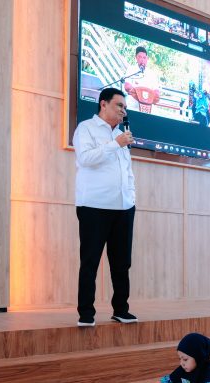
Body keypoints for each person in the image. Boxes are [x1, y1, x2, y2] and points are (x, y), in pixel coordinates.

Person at [73, 87, 137, 327]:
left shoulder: (121, 134)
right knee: (90, 261)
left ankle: (121, 309)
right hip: (94, 206)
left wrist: (131, 197)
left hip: (124, 207)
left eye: (124, 107)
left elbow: (126, 172)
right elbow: (85, 159)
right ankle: (86, 314)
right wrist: (115, 144)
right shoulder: (86, 129)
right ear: (103, 104)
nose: (123, 111)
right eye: (119, 105)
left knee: (122, 263)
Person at [123, 46, 161, 112]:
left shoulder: (152, 74)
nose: (142, 59)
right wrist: (142, 95)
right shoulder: (131, 69)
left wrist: (139, 94)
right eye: (140, 57)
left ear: (147, 59)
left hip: (148, 109)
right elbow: (127, 86)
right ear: (136, 58)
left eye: (144, 57)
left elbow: (156, 93)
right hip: (131, 107)